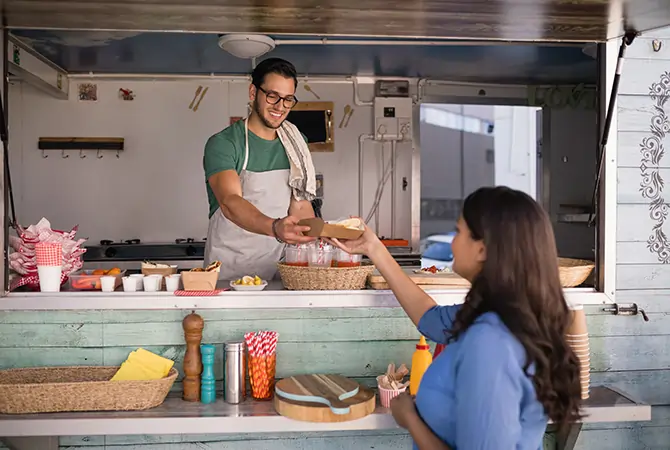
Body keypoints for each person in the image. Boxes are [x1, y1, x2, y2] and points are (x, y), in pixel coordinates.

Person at [329, 186, 582, 450]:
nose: (452, 241)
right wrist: (374, 248)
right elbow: (429, 319)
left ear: (482, 249)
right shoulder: (502, 314)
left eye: (459, 231)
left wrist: (411, 420)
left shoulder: (490, 342)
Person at [203, 58, 317, 281]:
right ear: (253, 92)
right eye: (272, 96)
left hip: (279, 270)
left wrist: (322, 240)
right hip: (229, 271)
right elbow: (230, 202)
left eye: (288, 99)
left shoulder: (296, 144)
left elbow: (301, 205)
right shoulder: (225, 143)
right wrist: (275, 228)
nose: (280, 106)